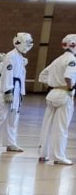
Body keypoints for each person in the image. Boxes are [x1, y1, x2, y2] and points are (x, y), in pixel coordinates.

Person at [0, 32, 33, 153]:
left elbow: (21, 77)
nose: (28, 46)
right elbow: (8, 74)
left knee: (13, 118)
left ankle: (10, 143)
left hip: (17, 90)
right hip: (7, 90)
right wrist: (8, 91)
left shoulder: (20, 57)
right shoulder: (10, 56)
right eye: (27, 43)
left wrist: (21, 93)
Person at [37, 33, 76, 165]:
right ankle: (58, 156)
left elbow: (42, 76)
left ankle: (43, 154)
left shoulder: (58, 60)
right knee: (61, 127)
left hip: (53, 93)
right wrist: (70, 88)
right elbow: (68, 77)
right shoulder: (72, 60)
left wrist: (53, 84)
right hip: (64, 95)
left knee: (47, 125)